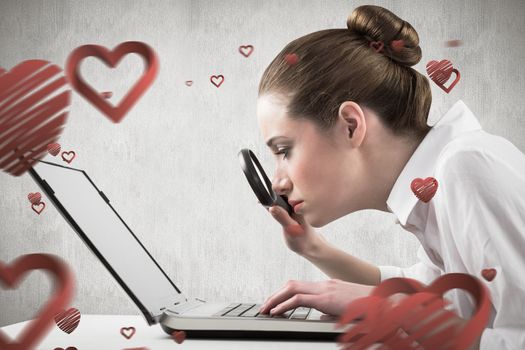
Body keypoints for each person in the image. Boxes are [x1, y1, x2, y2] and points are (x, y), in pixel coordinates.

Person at [254, 5, 525, 349]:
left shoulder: (466, 168)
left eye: (284, 150)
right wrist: (314, 249)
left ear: (350, 125)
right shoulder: (442, 182)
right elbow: (435, 294)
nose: (278, 182)